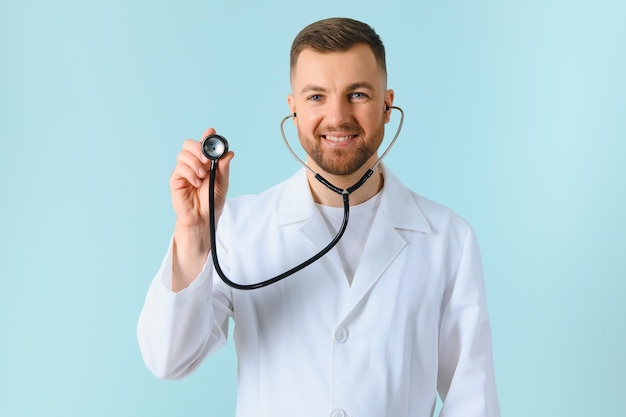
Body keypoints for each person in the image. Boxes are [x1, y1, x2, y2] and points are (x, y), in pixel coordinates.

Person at [137, 17, 501, 417]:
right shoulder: (238, 228)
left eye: (357, 94)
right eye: (316, 97)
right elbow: (168, 359)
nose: (337, 116)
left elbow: (473, 400)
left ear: (387, 105)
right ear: (293, 110)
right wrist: (192, 234)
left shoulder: (447, 239)